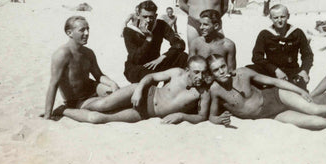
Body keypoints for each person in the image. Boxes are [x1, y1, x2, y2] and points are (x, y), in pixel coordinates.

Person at [207, 54, 326, 131]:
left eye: (223, 66)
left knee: (316, 109)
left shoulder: (243, 73)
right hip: (267, 115)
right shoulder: (215, 90)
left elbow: (274, 81)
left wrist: (301, 91)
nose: (221, 72)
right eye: (216, 70)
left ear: (227, 66)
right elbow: (212, 116)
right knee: (314, 122)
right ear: (212, 74)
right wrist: (217, 120)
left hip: (276, 96)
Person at [54, 56, 211, 124]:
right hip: (143, 92)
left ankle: (64, 110)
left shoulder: (203, 93)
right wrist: (139, 89)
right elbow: (151, 77)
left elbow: (202, 116)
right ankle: (79, 101)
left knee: (98, 119)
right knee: (102, 105)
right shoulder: (177, 73)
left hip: (144, 114)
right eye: (196, 72)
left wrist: (182, 116)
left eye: (203, 72)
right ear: (188, 70)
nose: (200, 76)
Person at [44, 16, 120, 120]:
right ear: (69, 33)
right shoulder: (62, 54)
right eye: (82, 30)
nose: (87, 33)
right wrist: (47, 115)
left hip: (92, 89)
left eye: (88, 29)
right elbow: (53, 84)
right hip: (76, 100)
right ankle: (63, 110)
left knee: (116, 94)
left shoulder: (88, 53)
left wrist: (112, 84)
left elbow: (98, 75)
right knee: (105, 106)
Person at [247, 4, 313, 91]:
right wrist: (275, 70)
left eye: (283, 17)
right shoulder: (265, 34)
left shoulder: (297, 33)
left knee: (299, 87)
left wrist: (304, 70)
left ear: (288, 16)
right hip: (271, 71)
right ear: (270, 18)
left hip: (291, 70)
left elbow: (307, 55)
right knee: (248, 70)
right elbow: (257, 57)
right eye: (276, 18)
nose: (280, 20)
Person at [123, 0, 188, 83]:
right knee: (147, 76)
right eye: (145, 16)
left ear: (156, 16)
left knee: (182, 57)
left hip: (156, 63)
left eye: (151, 17)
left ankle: (168, 89)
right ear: (138, 15)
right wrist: (148, 39)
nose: (148, 20)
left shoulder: (160, 25)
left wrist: (163, 57)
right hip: (137, 67)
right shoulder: (129, 31)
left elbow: (179, 43)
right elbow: (136, 59)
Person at [189, 9, 236, 80]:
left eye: (205, 24)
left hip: (220, 81)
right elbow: (191, 69)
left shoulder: (228, 45)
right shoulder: (195, 43)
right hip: (201, 80)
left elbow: (231, 71)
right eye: (200, 24)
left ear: (216, 26)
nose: (201, 27)